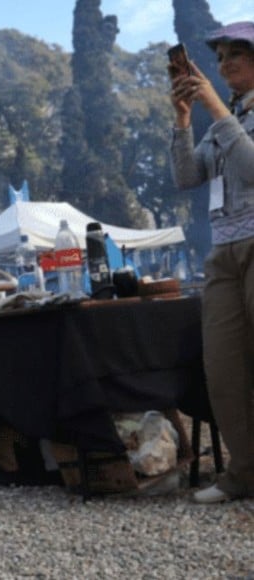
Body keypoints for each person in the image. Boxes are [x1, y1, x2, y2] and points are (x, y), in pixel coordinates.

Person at [169, 21, 254, 504]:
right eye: (219, 60)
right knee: (223, 369)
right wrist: (182, 119)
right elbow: (186, 176)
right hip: (222, 255)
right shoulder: (231, 117)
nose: (223, 67)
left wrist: (216, 109)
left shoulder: (229, 116)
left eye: (234, 57)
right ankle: (243, 473)